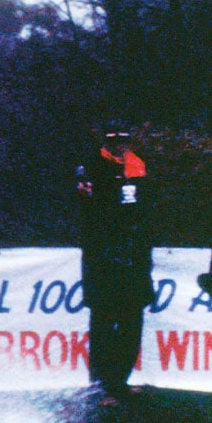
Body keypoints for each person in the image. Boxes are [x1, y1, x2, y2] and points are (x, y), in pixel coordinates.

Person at [76, 120, 154, 403]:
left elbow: (148, 210)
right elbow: (89, 211)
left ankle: (121, 380)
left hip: (135, 258)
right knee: (104, 323)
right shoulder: (91, 166)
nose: (119, 148)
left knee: (132, 322)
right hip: (104, 259)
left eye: (124, 142)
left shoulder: (140, 166)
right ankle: (102, 385)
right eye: (114, 143)